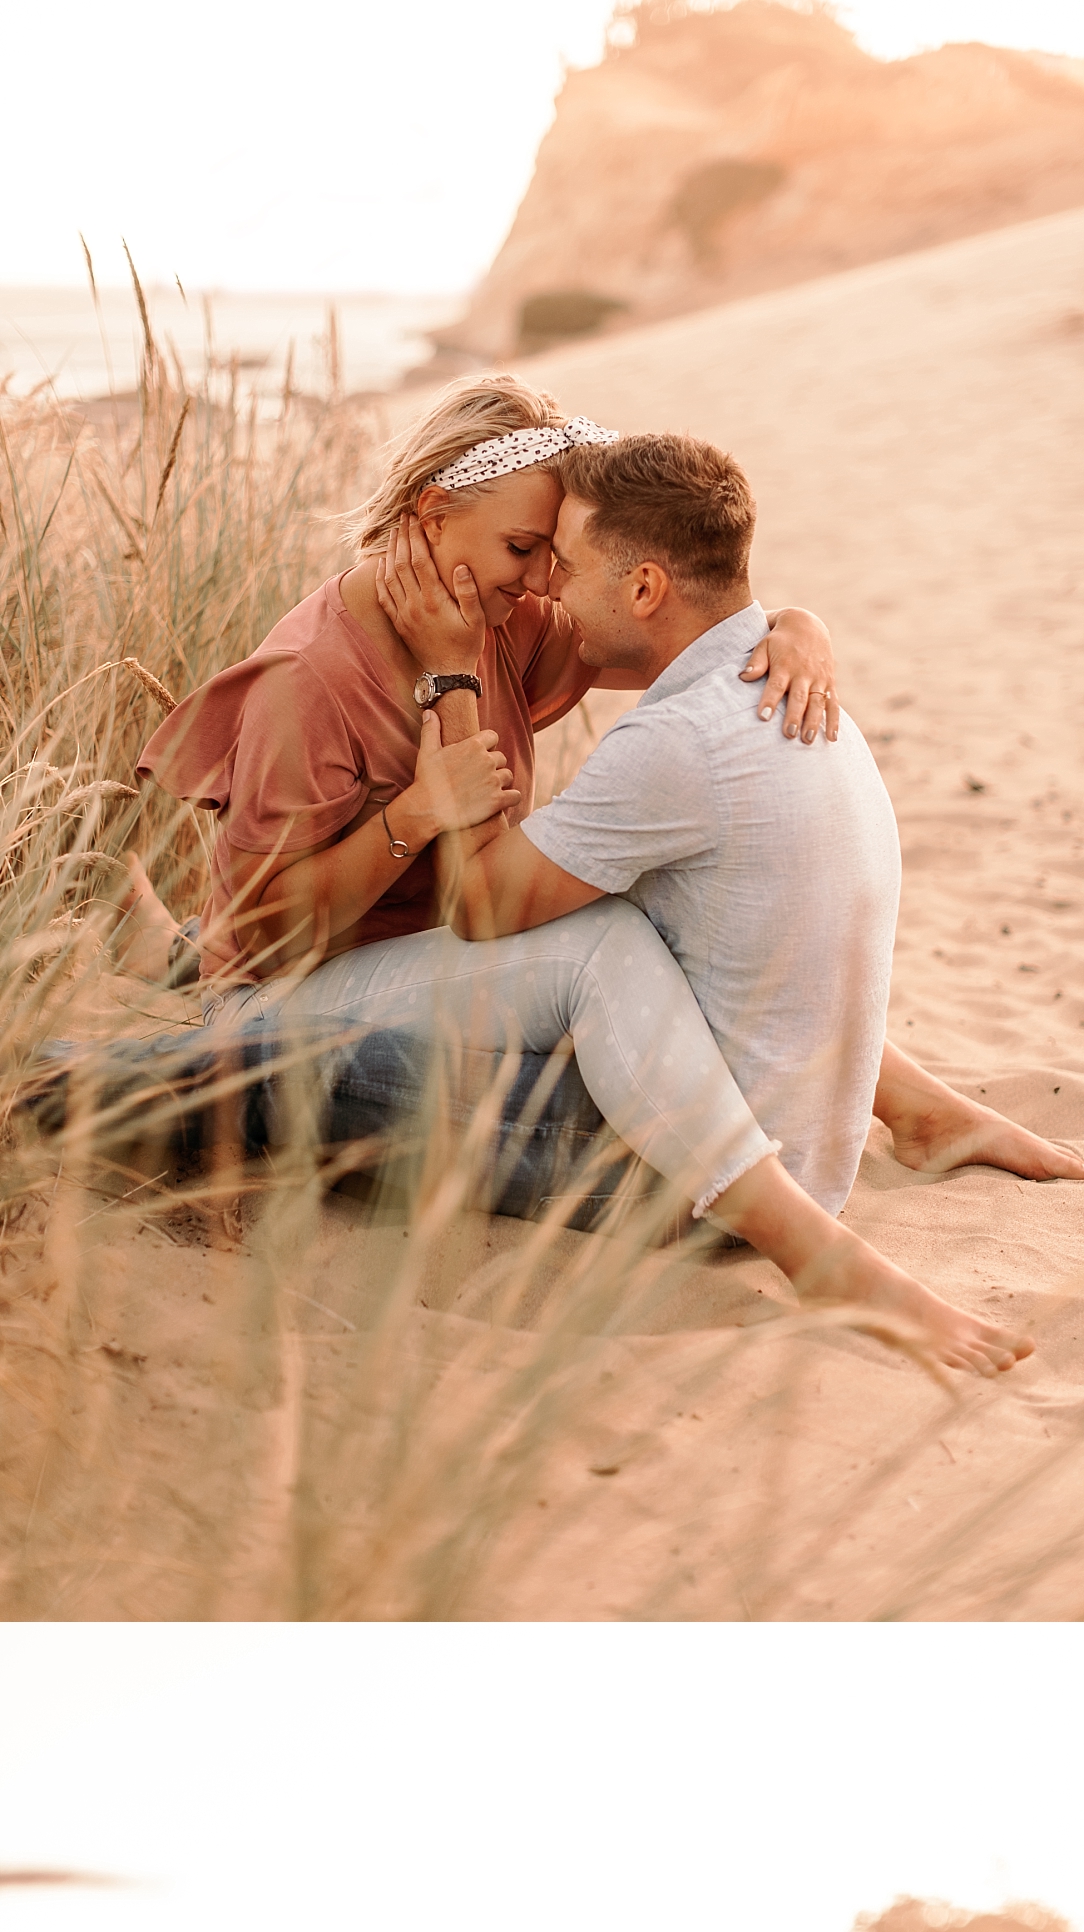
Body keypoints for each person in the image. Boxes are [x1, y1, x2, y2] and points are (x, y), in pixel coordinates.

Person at [127, 380, 1070, 1376]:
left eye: (550, 555)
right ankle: (185, 962)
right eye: (521, 550)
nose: (541, 583)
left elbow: (685, 619)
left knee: (622, 881)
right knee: (605, 928)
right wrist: (411, 818)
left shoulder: (503, 625)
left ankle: (168, 950)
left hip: (444, 968)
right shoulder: (314, 681)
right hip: (303, 978)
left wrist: (792, 624)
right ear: (431, 515)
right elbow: (268, 930)